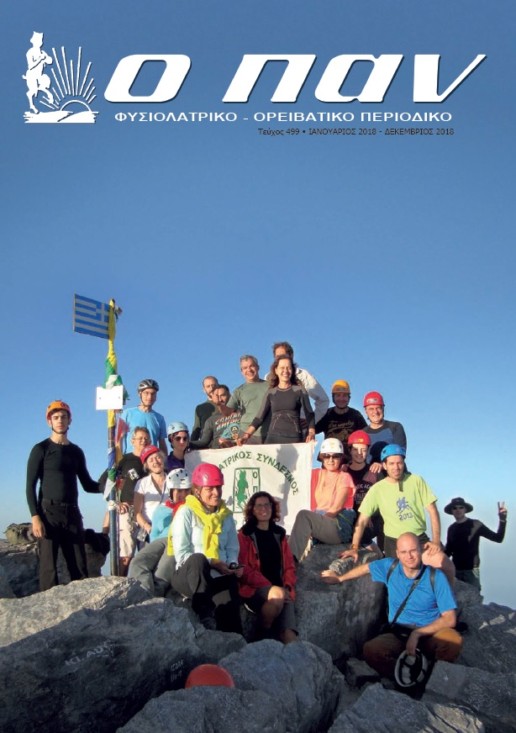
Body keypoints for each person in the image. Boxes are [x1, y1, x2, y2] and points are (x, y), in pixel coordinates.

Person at [321, 533, 463, 684]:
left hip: (429, 633)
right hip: (399, 634)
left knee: (453, 641)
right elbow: (366, 568)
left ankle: (432, 677)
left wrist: (417, 634)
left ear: (421, 550)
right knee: (371, 650)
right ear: (397, 554)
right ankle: (405, 677)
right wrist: (340, 578)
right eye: (404, 552)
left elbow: (450, 618)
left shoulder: (436, 577)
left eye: (413, 551)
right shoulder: (390, 567)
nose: (409, 556)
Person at [341, 444, 454, 582]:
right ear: (384, 465)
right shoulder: (377, 489)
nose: (396, 467)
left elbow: (433, 511)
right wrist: (354, 547)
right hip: (394, 542)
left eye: (399, 463)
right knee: (399, 581)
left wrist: (436, 541)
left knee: (447, 567)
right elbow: (362, 520)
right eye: (391, 463)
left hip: (419, 539)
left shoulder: (416, 481)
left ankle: (446, 596)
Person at [26, 400, 101, 591]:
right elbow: (30, 486)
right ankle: (48, 606)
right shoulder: (41, 449)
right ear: (49, 421)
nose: (60, 420)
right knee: (49, 569)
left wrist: (109, 486)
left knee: (79, 567)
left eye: (63, 417)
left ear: (70, 421)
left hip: (72, 513)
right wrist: (35, 517)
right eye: (56, 417)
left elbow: (88, 484)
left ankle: (84, 604)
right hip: (48, 513)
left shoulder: (76, 452)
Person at [170, 462, 243, 632]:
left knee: (230, 618)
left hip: (217, 577)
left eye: (218, 487)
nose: (216, 493)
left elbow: (232, 548)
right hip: (189, 575)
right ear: (197, 490)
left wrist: (232, 565)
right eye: (210, 488)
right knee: (198, 559)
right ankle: (204, 614)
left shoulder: (226, 516)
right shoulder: (186, 512)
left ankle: (235, 642)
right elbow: (182, 554)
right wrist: (212, 562)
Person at [238, 492, 298, 643]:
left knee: (290, 637)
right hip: (255, 589)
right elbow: (243, 569)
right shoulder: (244, 535)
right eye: (259, 505)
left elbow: (289, 566)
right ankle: (262, 633)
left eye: (267, 505)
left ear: (272, 508)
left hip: (282, 591)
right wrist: (270, 586)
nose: (263, 508)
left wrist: (288, 586)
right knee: (277, 595)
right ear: (252, 510)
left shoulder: (279, 534)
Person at [288, 438, 355, 562]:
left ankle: (289, 563)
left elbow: (336, 508)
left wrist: (314, 526)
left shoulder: (344, 477)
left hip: (338, 526)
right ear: (321, 458)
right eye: (326, 456)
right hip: (319, 522)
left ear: (341, 458)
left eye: (335, 456)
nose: (331, 460)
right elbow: (295, 472)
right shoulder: (315, 474)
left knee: (304, 516)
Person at [128, 468, 191, 595]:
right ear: (171, 491)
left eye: (186, 490)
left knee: (161, 574)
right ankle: (143, 594)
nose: (183, 495)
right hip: (161, 541)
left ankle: (153, 597)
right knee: (138, 562)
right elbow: (154, 534)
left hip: (178, 542)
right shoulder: (161, 510)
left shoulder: (193, 508)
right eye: (179, 491)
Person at [99, 426, 150, 575]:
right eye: (140, 438)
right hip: (127, 510)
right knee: (125, 556)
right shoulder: (123, 460)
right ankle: (118, 584)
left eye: (146, 439)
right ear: (132, 441)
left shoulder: (152, 460)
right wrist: (116, 502)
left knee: (146, 557)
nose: (143, 441)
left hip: (145, 513)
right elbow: (104, 483)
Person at [240, 354, 315, 445]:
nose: (285, 371)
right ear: (276, 370)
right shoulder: (271, 392)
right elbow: (259, 418)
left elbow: (309, 414)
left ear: (292, 370)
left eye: (288, 368)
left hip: (294, 439)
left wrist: (311, 432)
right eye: (282, 368)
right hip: (272, 439)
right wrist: (246, 435)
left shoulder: (300, 391)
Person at [444, 497, 508, 590]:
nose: (458, 510)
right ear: (451, 511)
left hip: (471, 570)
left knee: (474, 596)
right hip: (456, 571)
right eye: (455, 508)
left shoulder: (476, 524)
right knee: (456, 597)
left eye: (461, 507)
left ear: (465, 509)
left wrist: (502, 520)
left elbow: (498, 538)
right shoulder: (451, 528)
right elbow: (448, 551)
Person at [271, 342, 329, 423]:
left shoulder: (303, 375)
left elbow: (323, 400)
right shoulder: (269, 377)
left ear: (291, 356)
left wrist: (311, 421)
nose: (281, 359)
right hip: (276, 426)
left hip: (299, 426)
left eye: (283, 356)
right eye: (277, 357)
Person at [221, 355, 270, 443]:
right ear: (242, 371)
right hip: (247, 436)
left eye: (252, 366)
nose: (249, 370)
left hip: (269, 433)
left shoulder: (270, 386)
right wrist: (220, 404)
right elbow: (227, 412)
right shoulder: (239, 391)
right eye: (245, 368)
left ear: (258, 367)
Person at [117, 379, 167, 454]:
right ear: (139, 394)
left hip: (151, 458)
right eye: (146, 393)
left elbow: (162, 444)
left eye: (153, 394)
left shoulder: (160, 418)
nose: (150, 397)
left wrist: (164, 460)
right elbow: (119, 440)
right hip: (131, 458)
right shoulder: (127, 414)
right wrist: (119, 460)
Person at [363, 391, 406, 469]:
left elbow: (400, 453)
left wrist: (382, 465)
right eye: (371, 409)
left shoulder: (395, 427)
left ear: (383, 409)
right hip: (370, 474)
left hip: (394, 472)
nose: (375, 412)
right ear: (366, 411)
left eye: (378, 408)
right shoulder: (363, 433)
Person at [133, 445, 168, 543]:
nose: (155, 462)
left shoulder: (172, 480)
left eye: (158, 457)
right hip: (149, 529)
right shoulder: (142, 483)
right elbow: (137, 512)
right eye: (151, 460)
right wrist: (148, 528)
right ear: (147, 465)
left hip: (169, 528)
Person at [316, 380, 367, 445]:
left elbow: (366, 435)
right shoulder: (326, 414)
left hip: (350, 450)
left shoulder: (356, 415)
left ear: (349, 398)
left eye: (344, 395)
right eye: (338, 395)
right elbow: (312, 430)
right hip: (331, 450)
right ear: (333, 397)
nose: (341, 399)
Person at [190, 385, 242, 449]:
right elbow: (203, 442)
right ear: (213, 398)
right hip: (219, 452)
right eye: (217, 396)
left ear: (230, 395)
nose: (220, 399)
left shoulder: (243, 412)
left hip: (241, 449)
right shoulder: (211, 420)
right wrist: (187, 443)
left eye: (223, 395)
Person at [191, 376, 219, 441]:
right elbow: (196, 428)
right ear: (204, 389)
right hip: (208, 444)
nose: (211, 388)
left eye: (213, 385)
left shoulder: (229, 402)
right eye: (208, 386)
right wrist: (191, 444)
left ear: (218, 386)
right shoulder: (200, 408)